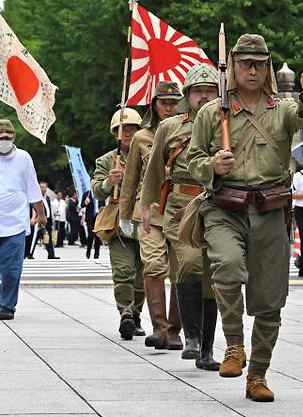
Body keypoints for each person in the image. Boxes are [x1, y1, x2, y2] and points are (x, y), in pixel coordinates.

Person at [187, 34, 303, 402]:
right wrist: (212, 164)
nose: (252, 70)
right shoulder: (213, 112)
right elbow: (192, 159)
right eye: (245, 63)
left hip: (270, 209)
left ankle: (258, 374)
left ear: (268, 69)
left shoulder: (281, 107)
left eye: (260, 64)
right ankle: (233, 345)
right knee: (226, 267)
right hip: (224, 207)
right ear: (231, 67)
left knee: (269, 300)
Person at [140, 63, 221, 370]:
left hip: (217, 204)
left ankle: (207, 349)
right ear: (188, 95)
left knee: (211, 276)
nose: (203, 97)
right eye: (198, 91)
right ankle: (192, 339)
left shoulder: (227, 126)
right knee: (188, 264)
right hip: (181, 206)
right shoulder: (170, 128)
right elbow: (154, 172)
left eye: (210, 91)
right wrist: (147, 205)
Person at [118, 83, 183, 348]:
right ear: (154, 104)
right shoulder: (141, 137)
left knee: (182, 270)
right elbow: (131, 177)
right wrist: (124, 214)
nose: (169, 107)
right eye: (164, 102)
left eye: (174, 101)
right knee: (154, 264)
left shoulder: (189, 131)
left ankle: (175, 330)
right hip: (148, 211)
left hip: (180, 210)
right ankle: (160, 328)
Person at [0, 119, 46, 320]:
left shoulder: (23, 158)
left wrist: (40, 213)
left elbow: (32, 186)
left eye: (8, 137)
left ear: (13, 137)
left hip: (15, 223)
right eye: (0, 137)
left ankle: (7, 305)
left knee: (11, 269)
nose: (4, 140)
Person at [92, 107, 145, 340]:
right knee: (123, 271)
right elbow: (95, 190)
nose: (128, 133)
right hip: (118, 219)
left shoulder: (150, 155)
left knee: (144, 272)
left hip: (144, 217)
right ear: (116, 133)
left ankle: (136, 313)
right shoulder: (106, 161)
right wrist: (107, 182)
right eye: (123, 129)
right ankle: (125, 312)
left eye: (133, 128)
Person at [27, 182, 59, 259]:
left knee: (48, 237)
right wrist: (34, 218)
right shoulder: (36, 198)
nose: (43, 189)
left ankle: (51, 254)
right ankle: (29, 253)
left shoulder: (47, 198)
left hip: (47, 220)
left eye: (44, 188)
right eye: (41, 188)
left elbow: (48, 209)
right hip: (39, 220)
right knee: (34, 237)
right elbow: (34, 208)